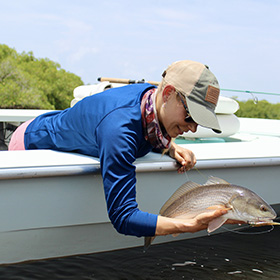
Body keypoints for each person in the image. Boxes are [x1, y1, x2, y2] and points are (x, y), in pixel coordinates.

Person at [8, 60, 238, 238]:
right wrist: (188, 224)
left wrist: (168, 145)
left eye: (200, 120)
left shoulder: (151, 97)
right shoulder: (118, 130)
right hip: (29, 143)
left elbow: (149, 124)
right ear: (167, 93)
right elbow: (123, 217)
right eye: (190, 116)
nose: (193, 128)